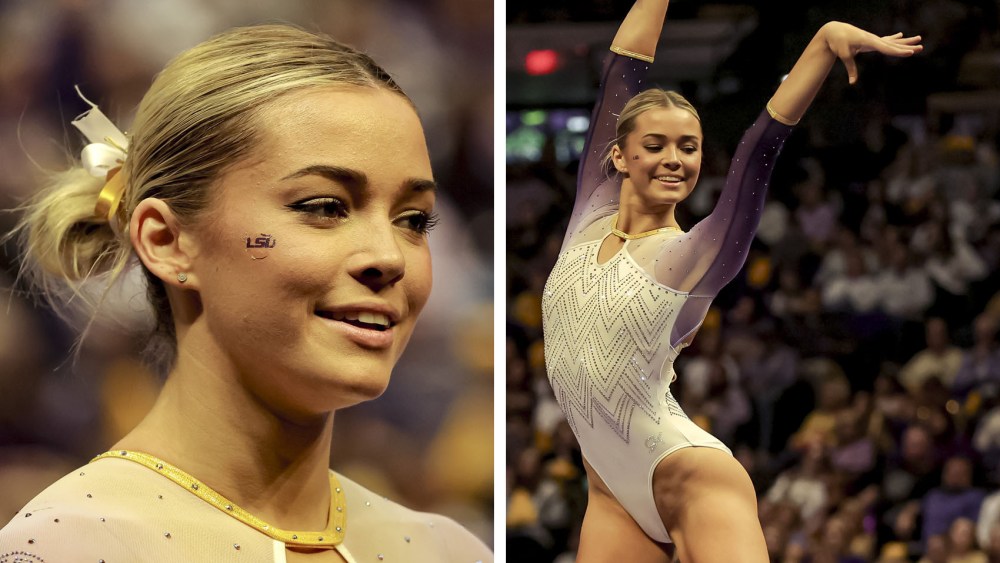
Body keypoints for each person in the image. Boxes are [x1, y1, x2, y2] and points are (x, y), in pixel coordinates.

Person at [0, 24, 492, 562]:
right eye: (323, 206)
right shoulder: (62, 548)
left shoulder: (450, 549)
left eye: (415, 220)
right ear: (167, 241)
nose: (391, 257)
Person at [540, 0, 922, 560]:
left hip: (692, 479)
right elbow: (623, 70)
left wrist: (820, 45)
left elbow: (759, 150)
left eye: (689, 147)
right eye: (656, 145)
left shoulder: (691, 257)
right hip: (610, 496)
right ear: (618, 155)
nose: (675, 159)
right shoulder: (589, 214)